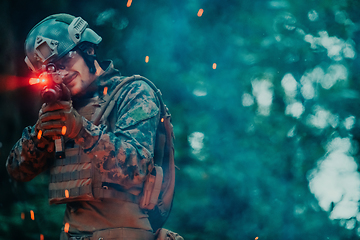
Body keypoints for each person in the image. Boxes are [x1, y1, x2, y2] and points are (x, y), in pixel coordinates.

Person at [6, 13, 181, 240]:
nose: (61, 73)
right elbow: (17, 170)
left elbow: (136, 167)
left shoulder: (133, 92)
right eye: (50, 70)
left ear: (87, 50)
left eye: (65, 60)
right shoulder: (63, 107)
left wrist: (79, 130)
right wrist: (41, 135)